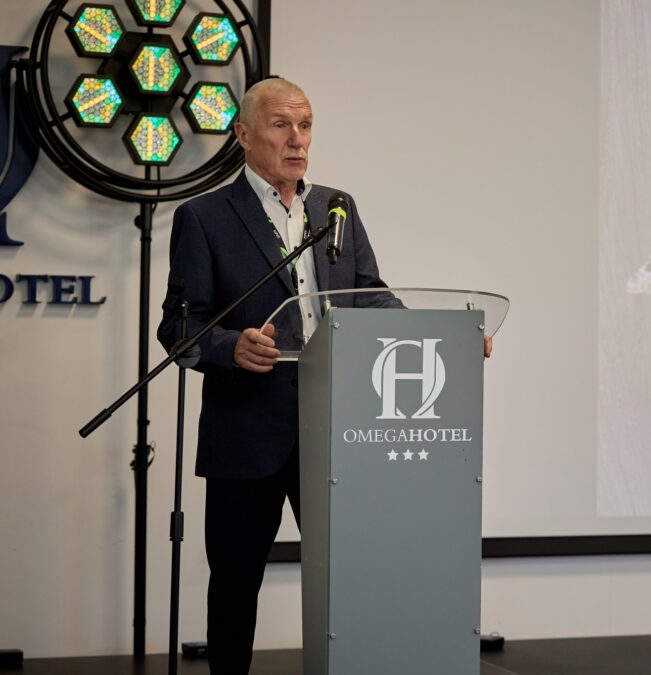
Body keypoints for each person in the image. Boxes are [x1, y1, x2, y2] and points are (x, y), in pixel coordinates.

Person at [157, 77, 490, 674]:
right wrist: (231, 347)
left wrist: (448, 344)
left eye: (306, 125)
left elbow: (371, 296)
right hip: (248, 433)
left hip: (340, 430)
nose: (298, 140)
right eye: (281, 125)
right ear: (243, 135)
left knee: (353, 578)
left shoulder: (337, 207)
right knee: (236, 583)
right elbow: (179, 327)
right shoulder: (204, 217)